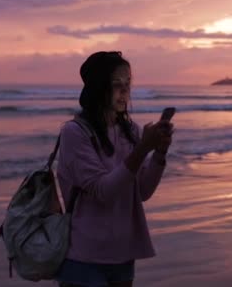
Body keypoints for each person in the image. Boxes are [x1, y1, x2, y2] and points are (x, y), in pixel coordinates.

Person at [54, 51, 173, 287]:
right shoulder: (75, 133)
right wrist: (142, 150)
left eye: (128, 84)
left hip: (122, 255)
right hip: (84, 257)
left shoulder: (131, 131)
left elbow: (141, 192)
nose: (124, 91)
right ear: (99, 87)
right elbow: (103, 191)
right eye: (116, 84)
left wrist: (159, 153)